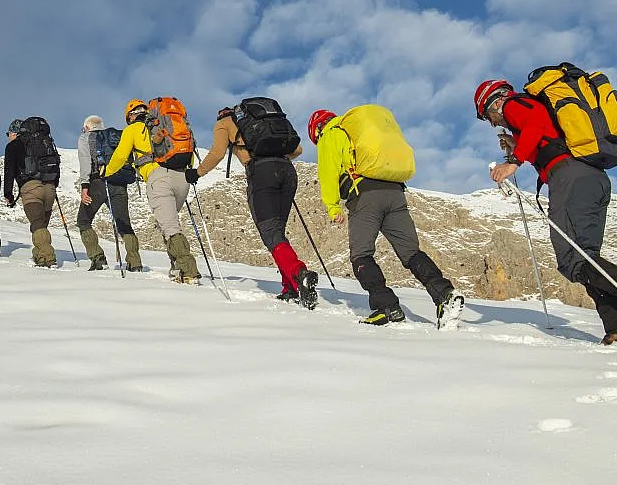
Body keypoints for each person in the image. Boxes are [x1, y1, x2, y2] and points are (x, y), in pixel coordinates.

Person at [475, 79, 617, 345]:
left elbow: (535, 121)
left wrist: (514, 162)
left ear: (496, 101)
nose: (493, 123)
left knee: (573, 259)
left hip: (569, 177)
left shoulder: (514, 104)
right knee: (586, 259)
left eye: (488, 116)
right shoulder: (534, 113)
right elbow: (543, 135)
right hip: (592, 178)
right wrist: (517, 147)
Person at [309, 106, 464, 327]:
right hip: (395, 192)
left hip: (365, 195)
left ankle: (387, 307)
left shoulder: (330, 133)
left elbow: (328, 172)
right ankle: (445, 295)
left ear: (317, 129)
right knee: (411, 253)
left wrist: (333, 206)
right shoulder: (357, 131)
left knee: (361, 255)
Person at [195, 104, 318, 308]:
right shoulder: (265, 121)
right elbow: (297, 149)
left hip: (261, 173)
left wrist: (197, 173)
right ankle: (289, 287)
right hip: (288, 172)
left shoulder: (224, 123)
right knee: (277, 232)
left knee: (270, 232)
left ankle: (299, 273)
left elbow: (217, 153)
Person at [102, 99, 201, 283]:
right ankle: (177, 268)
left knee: (170, 227)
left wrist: (106, 172)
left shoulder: (133, 130)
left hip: (158, 178)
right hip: (182, 177)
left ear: (130, 116)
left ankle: (188, 270)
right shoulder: (161, 126)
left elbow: (120, 156)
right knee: (166, 224)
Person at [76, 115, 142, 272]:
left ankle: (98, 258)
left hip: (97, 183)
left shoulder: (86, 138)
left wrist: (85, 186)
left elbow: (85, 161)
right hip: (119, 183)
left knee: (84, 220)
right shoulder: (113, 138)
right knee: (124, 223)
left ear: (87, 127)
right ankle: (135, 262)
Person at [3, 117, 62, 268]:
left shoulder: (13, 146)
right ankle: (39, 257)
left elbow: (9, 172)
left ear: (15, 132)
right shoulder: (44, 142)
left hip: (31, 189)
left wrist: (8, 194)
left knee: (37, 224)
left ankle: (49, 259)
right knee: (40, 225)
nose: (8, 136)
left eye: (8, 133)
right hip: (49, 188)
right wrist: (53, 185)